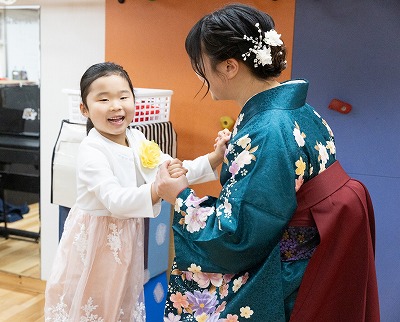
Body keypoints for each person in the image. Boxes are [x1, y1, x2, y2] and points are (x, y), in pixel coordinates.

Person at [156, 4, 380, 322]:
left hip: (289, 272)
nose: (200, 73)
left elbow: (236, 238)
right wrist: (235, 157)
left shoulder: (267, 130)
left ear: (230, 66)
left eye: (201, 64)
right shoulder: (298, 110)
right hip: (314, 254)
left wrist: (179, 197)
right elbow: (266, 192)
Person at [44, 62, 230, 321]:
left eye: (123, 96)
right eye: (103, 99)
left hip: (125, 238)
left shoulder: (137, 138)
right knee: (91, 304)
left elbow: (173, 170)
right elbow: (115, 200)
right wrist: (157, 189)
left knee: (119, 301)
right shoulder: (91, 149)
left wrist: (215, 156)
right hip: (95, 242)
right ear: (84, 109)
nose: (116, 106)